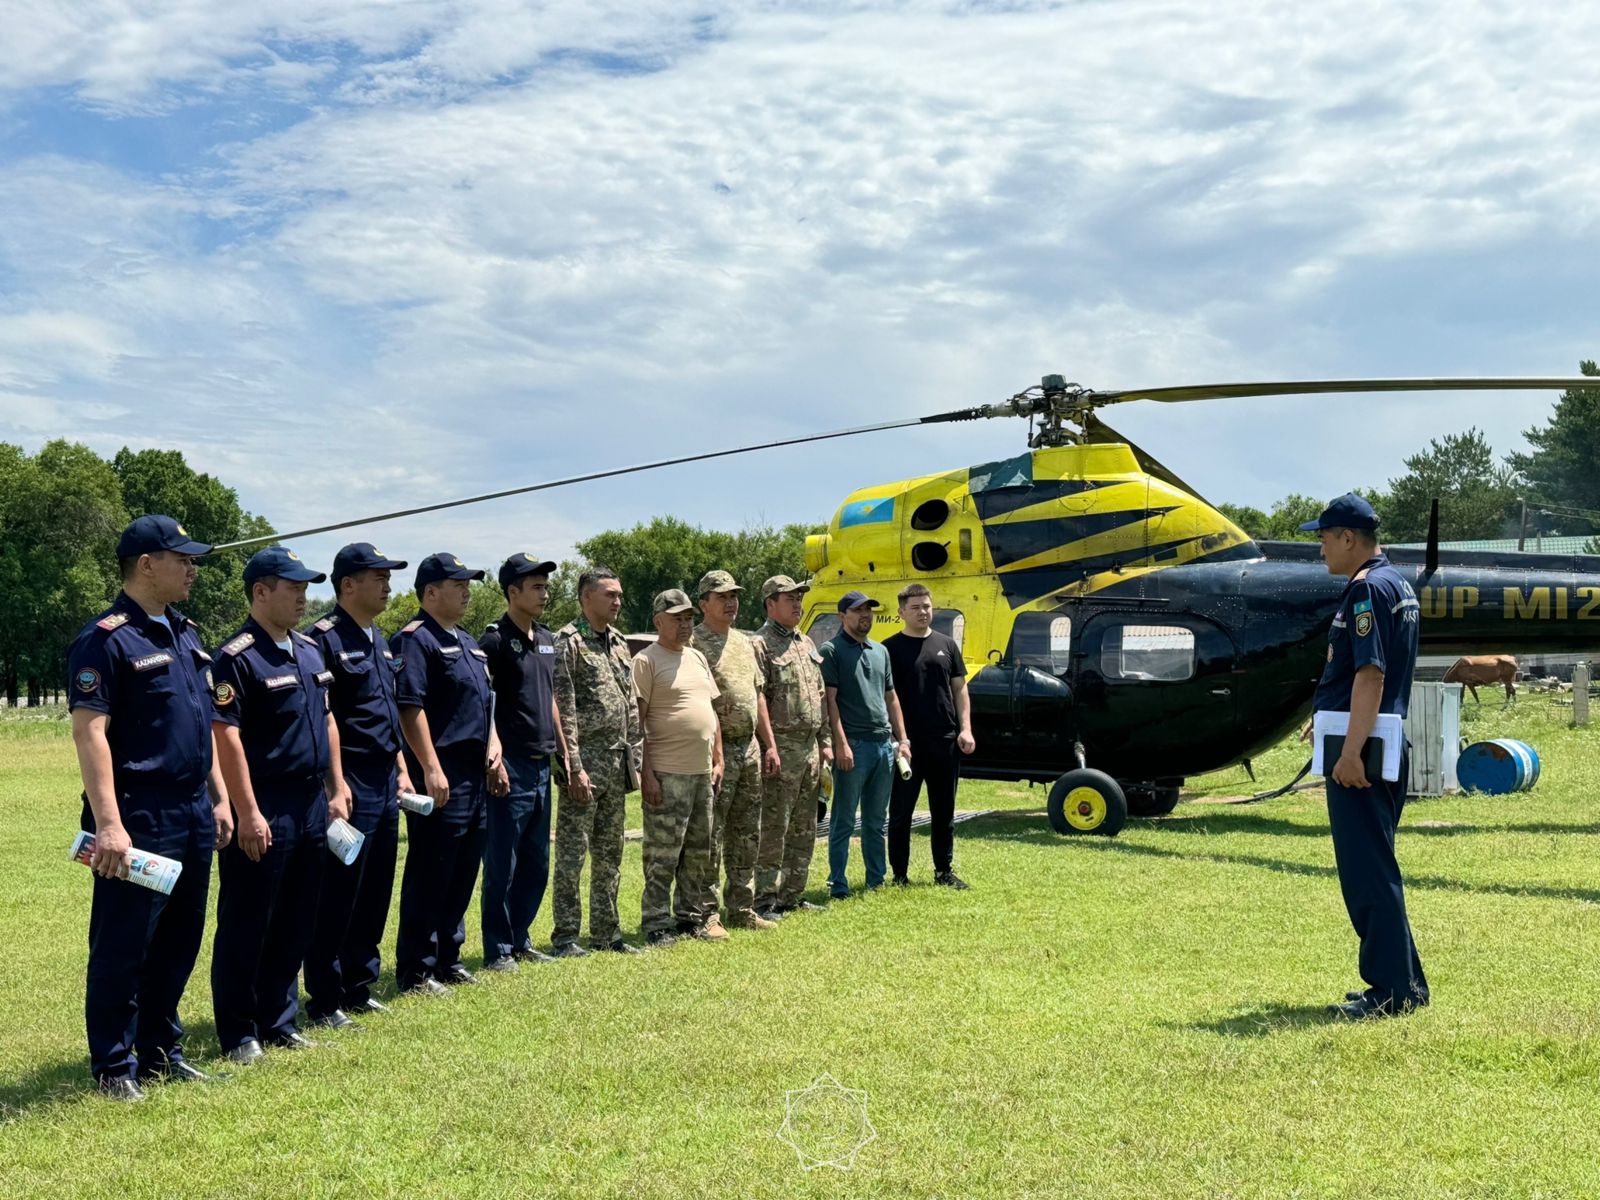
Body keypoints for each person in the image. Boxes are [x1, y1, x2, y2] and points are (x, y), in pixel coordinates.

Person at [67, 515, 234, 1100]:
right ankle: (113, 1066)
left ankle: (161, 1051)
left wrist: (218, 797)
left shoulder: (185, 633)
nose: (192, 568)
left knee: (181, 935)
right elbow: (91, 735)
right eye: (181, 559)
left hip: (190, 808)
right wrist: (108, 823)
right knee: (125, 939)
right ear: (146, 565)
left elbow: (199, 725)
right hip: (139, 813)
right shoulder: (107, 639)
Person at [210, 546, 351, 1065]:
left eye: (305, 588)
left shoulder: (309, 650)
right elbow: (225, 736)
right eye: (292, 588)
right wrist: (246, 811)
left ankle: (279, 1020)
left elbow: (329, 719)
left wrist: (336, 786)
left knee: (297, 916)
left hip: (311, 799)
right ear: (260, 592)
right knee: (249, 918)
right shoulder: (237, 657)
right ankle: (238, 1031)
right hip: (265, 801)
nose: (302, 598)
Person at [1301, 493, 1428, 1019]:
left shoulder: (1366, 590)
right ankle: (1405, 985)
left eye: (1325, 538)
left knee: (1367, 873)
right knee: (1377, 866)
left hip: (1366, 756)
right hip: (1381, 744)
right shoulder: (1396, 582)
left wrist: (1349, 751)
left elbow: (1370, 674)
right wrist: (1327, 717)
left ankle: (1390, 994)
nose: (1321, 550)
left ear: (1349, 538)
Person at [303, 542, 412, 1030]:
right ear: (348, 584)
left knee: (374, 888)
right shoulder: (321, 639)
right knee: (338, 890)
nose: (387, 584)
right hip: (350, 780)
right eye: (378, 576)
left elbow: (387, 712)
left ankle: (358, 986)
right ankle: (325, 998)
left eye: (388, 576)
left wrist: (403, 768)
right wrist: (335, 784)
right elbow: (324, 720)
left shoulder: (379, 638)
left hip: (385, 777)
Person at [392, 552, 510, 995]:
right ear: (430, 592)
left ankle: (448, 958)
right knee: (432, 869)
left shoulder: (467, 641)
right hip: (439, 771)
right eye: (457, 585)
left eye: (469, 584)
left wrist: (494, 748)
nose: (466, 592)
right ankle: (417, 969)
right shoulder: (414, 640)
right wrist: (430, 767)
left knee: (463, 867)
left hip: (474, 771)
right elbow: (409, 707)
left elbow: (485, 702)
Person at [478, 553, 567, 970]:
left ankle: (520, 938)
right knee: (502, 860)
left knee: (536, 860)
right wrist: (492, 757)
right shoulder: (494, 641)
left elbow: (549, 700)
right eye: (536, 587)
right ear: (513, 592)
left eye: (546, 586)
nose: (544, 593)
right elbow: (485, 703)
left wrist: (564, 752)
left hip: (541, 764)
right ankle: (497, 948)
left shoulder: (547, 639)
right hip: (509, 763)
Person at [550, 569, 642, 956]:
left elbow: (630, 701)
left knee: (610, 854)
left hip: (616, 762)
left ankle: (607, 933)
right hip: (584, 764)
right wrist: (573, 764)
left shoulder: (619, 642)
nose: (617, 601)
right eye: (609, 595)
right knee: (572, 854)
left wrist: (634, 756)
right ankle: (566, 936)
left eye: (619, 595)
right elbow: (562, 705)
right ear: (586, 598)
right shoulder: (568, 641)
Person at [690, 570, 780, 933]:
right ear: (703, 604)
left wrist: (769, 743)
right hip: (716, 751)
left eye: (734, 596)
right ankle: (707, 912)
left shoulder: (746, 643)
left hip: (749, 748)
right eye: (722, 596)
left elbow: (758, 696)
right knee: (711, 832)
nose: (731, 602)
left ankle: (742, 907)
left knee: (747, 831)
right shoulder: (694, 643)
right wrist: (716, 754)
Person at [634, 589, 724, 946]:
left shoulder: (698, 658)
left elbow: (711, 711)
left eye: (688, 618)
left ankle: (689, 917)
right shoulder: (646, 660)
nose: (686, 625)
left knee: (699, 851)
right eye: (677, 619)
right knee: (663, 854)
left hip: (701, 773)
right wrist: (647, 773)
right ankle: (656, 922)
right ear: (659, 622)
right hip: (667, 773)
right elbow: (637, 724)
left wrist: (718, 757)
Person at [819, 591, 910, 899]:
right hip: (854, 746)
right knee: (843, 820)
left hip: (884, 746)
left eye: (869, 610)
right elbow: (830, 703)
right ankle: (838, 883)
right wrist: (840, 745)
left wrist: (903, 739)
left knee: (875, 821)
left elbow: (892, 698)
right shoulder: (831, 651)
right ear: (842, 615)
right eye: (858, 610)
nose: (865, 616)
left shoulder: (880, 651)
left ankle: (876, 881)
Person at [884, 583, 974, 889]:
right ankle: (899, 875)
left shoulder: (947, 645)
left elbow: (960, 689)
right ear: (901, 613)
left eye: (927, 606)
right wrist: (897, 739)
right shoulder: (889, 649)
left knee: (943, 811)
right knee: (900, 813)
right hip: (907, 746)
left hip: (945, 741)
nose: (923, 612)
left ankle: (943, 872)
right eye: (915, 607)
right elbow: (885, 696)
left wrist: (966, 728)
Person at [753, 575, 832, 921]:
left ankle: (792, 894)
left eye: (800, 598)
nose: (798, 604)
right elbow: (758, 701)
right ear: (771, 604)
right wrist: (769, 746)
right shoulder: (760, 644)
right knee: (774, 827)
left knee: (805, 825)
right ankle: (765, 899)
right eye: (790, 599)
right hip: (781, 748)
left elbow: (819, 695)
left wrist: (825, 742)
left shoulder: (805, 642)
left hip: (810, 749)